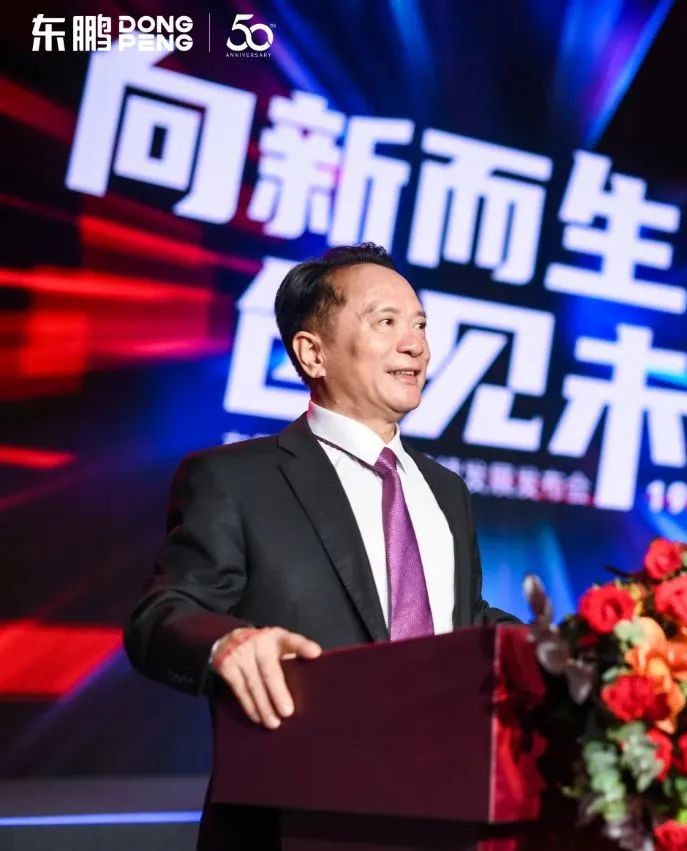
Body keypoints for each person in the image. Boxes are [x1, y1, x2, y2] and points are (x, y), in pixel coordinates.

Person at [124, 243, 518, 849]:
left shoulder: (446, 490)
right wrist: (227, 643)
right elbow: (162, 614)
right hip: (296, 823)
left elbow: (460, 621)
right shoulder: (235, 479)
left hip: (446, 812)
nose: (415, 345)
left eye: (419, 325)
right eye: (386, 322)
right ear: (313, 352)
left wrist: (574, 647)